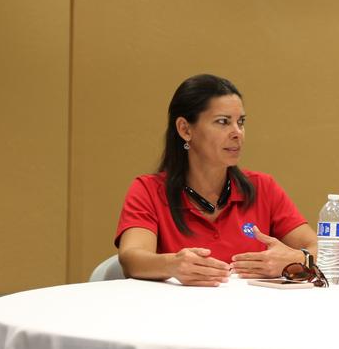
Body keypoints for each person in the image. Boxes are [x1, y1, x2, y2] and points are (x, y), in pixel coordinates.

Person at [116, 74, 316, 286]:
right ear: (185, 129)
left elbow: (322, 249)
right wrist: (172, 264)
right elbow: (131, 259)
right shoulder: (148, 190)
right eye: (223, 122)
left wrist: (297, 259)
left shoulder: (262, 187)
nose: (237, 133)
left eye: (241, 122)